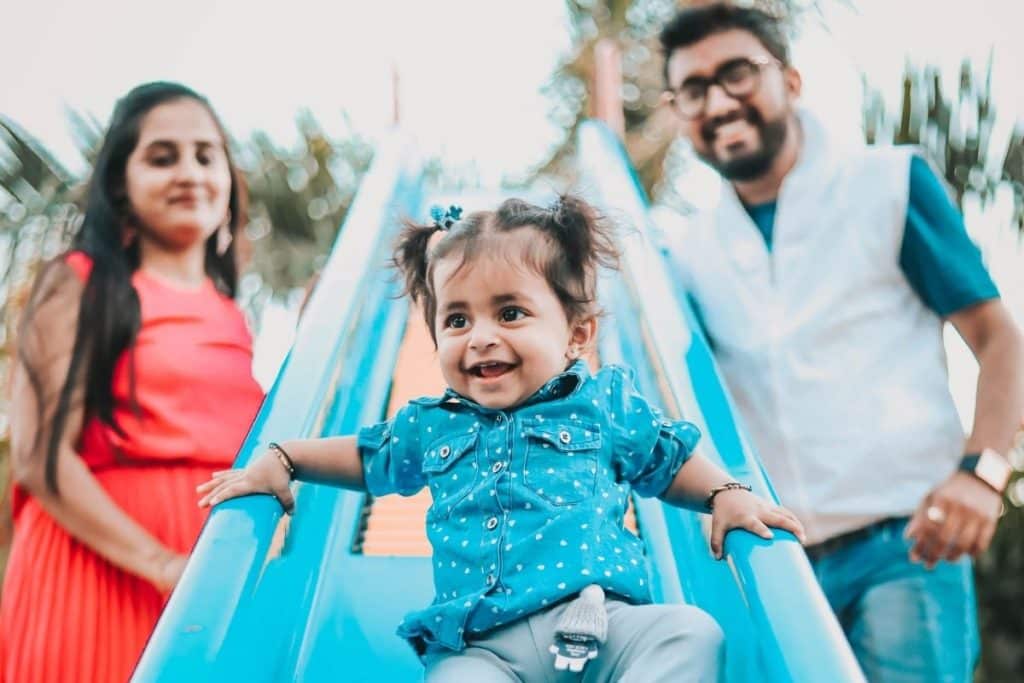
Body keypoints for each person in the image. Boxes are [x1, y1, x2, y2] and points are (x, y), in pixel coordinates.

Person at [198, 196, 806, 682]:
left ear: (576, 334)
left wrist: (726, 491)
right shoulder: (432, 422)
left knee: (692, 633)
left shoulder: (601, 403)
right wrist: (284, 457)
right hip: (484, 649)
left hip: (604, 621)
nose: (480, 337)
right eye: (456, 320)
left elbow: (667, 460)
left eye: (511, 313)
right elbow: (367, 455)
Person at [657, 4, 1024, 681]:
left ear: (790, 81)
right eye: (693, 89)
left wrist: (984, 474)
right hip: (772, 559)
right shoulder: (684, 251)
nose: (719, 101)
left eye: (737, 74)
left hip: (905, 545)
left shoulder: (887, 183)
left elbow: (998, 337)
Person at [1, 82, 265, 682]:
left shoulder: (230, 312)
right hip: (99, 575)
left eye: (206, 155)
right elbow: (40, 458)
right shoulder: (77, 282)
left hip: (206, 584)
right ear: (121, 182)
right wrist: (162, 564)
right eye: (162, 156)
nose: (189, 173)